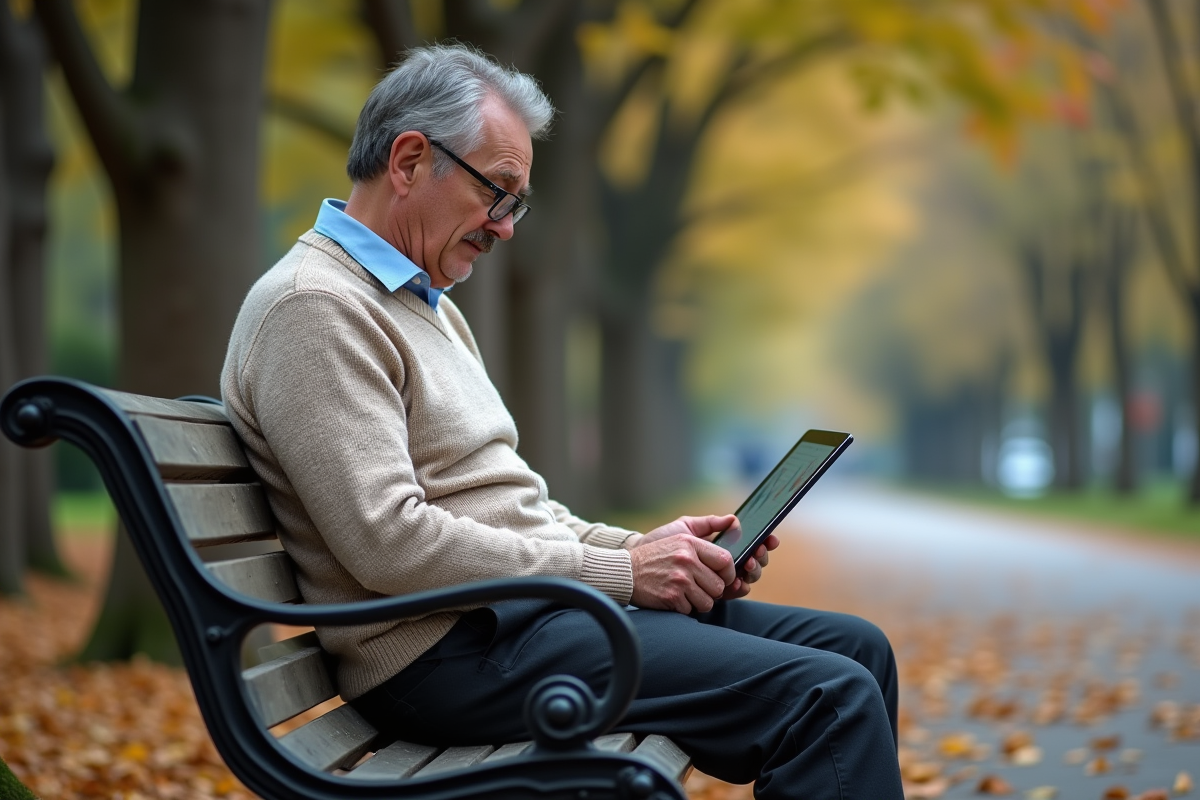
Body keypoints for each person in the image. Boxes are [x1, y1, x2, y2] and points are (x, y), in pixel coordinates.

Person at [221, 43, 903, 799]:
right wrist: (622, 576)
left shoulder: (421, 305)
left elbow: (516, 510)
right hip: (445, 655)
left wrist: (649, 553)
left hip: (518, 622)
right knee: (829, 698)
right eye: (498, 192)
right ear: (409, 161)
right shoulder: (315, 308)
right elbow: (389, 540)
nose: (506, 227)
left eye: (516, 203)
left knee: (858, 650)